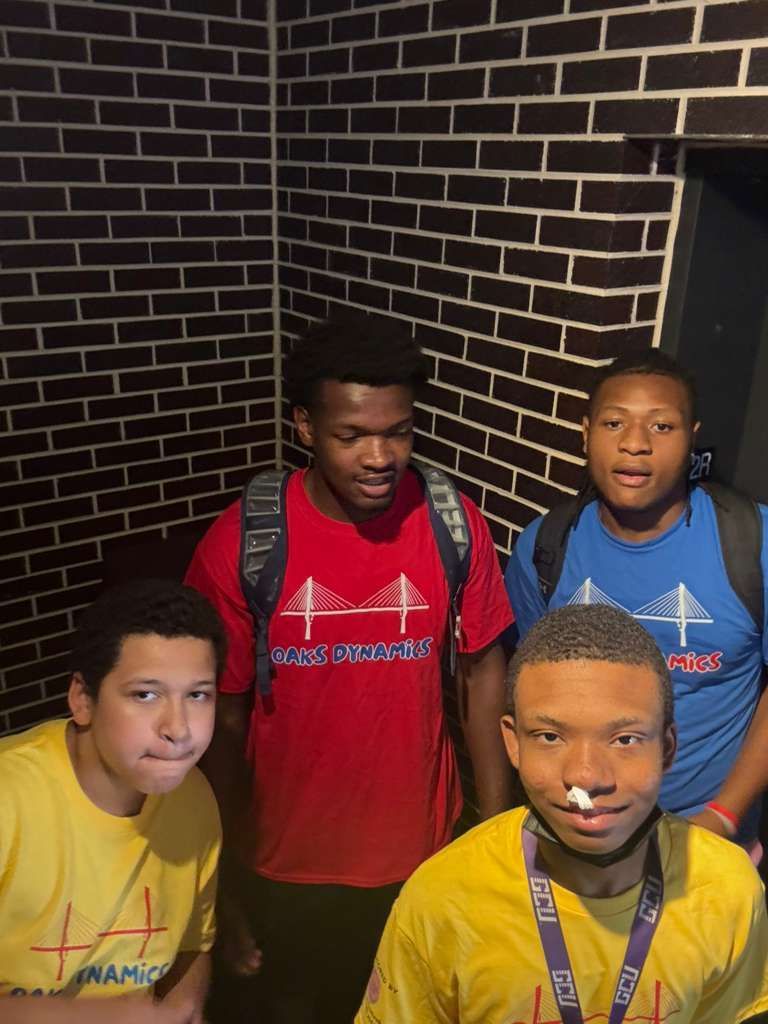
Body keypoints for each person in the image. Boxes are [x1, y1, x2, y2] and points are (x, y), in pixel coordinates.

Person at [184, 312, 514, 1022]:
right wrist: (221, 881)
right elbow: (218, 721)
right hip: (283, 865)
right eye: (352, 434)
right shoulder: (242, 544)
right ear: (304, 425)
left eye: (398, 431)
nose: (379, 457)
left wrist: (498, 832)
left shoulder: (451, 524)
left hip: (421, 856)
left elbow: (483, 673)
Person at [356, 604, 768, 1024]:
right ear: (514, 744)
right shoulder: (442, 898)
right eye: (550, 736)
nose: (585, 777)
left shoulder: (729, 889)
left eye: (624, 739)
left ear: (666, 748)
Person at [505, 349, 768, 854]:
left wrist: (724, 817)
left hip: (705, 836)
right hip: (573, 830)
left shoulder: (750, 543)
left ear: (692, 437)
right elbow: (526, 686)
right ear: (585, 433)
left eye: (662, 427)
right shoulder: (546, 546)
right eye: (613, 422)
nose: (634, 444)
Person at [0, 579, 225, 1024]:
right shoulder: (11, 797)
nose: (178, 728)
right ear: (82, 699)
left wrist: (183, 1007)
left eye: (197, 695)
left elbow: (192, 945)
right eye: (146, 695)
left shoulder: (194, 799)